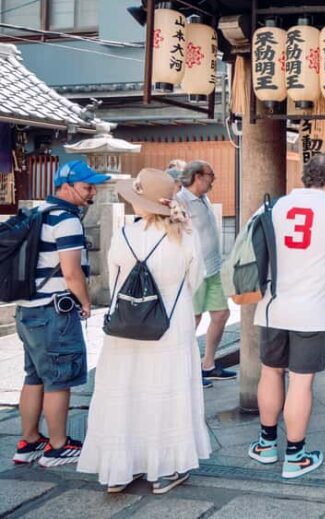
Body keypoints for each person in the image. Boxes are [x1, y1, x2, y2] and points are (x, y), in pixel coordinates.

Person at [78, 168, 209, 494]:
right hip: (169, 324)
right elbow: (196, 281)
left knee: (126, 392)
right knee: (167, 392)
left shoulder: (124, 235)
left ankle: (120, 470)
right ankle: (165, 470)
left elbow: (113, 278)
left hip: (126, 326)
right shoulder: (185, 236)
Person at [248, 154, 325, 478]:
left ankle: (265, 445)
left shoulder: (272, 206)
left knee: (271, 373)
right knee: (301, 383)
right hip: (311, 311)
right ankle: (295, 455)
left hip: (272, 305)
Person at [12, 160, 108, 467]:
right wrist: (85, 302)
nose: (91, 192)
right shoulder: (66, 220)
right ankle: (57, 446)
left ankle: (29, 442)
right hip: (54, 311)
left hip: (28, 311)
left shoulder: (39, 213)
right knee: (59, 380)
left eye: (92, 186)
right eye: (86, 187)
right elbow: (70, 272)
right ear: (65, 186)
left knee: (35, 376)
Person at [176, 161, 235, 386]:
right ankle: (187, 371)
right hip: (195, 270)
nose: (213, 180)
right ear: (198, 176)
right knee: (193, 319)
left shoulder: (203, 198)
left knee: (221, 315)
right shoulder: (181, 200)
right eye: (211, 175)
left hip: (214, 268)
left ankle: (208, 364)